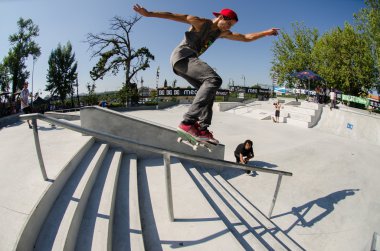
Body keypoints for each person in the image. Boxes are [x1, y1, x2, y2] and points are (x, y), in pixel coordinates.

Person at [133, 5, 279, 144]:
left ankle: (202, 129)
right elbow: (174, 16)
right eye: (228, 23)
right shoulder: (201, 22)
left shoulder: (220, 33)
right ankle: (187, 122)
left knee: (209, 91)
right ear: (221, 17)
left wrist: (266, 32)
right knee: (213, 79)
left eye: (231, 26)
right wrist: (149, 14)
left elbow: (245, 37)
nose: (228, 27)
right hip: (183, 56)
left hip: (185, 63)